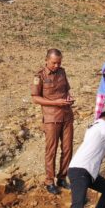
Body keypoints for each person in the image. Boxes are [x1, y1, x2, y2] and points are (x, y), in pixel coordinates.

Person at [30, 48, 73, 195]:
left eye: (59, 63)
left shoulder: (62, 72)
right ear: (47, 60)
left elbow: (66, 90)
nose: (57, 66)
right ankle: (49, 181)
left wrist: (68, 99)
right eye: (54, 63)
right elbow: (35, 98)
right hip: (51, 118)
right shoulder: (39, 76)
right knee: (51, 150)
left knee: (67, 149)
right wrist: (56, 103)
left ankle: (62, 177)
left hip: (67, 115)